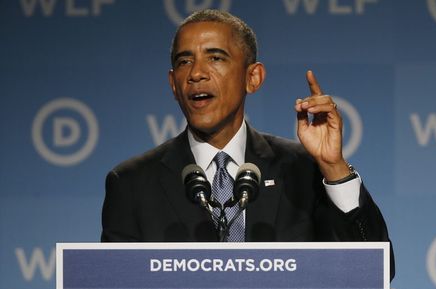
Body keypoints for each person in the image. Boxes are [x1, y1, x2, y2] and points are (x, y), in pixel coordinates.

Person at [101, 9, 394, 279]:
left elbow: (373, 271)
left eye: (215, 58)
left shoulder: (302, 170)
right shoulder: (131, 183)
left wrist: (333, 167)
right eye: (184, 61)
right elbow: (113, 282)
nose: (196, 73)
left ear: (252, 78)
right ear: (173, 85)